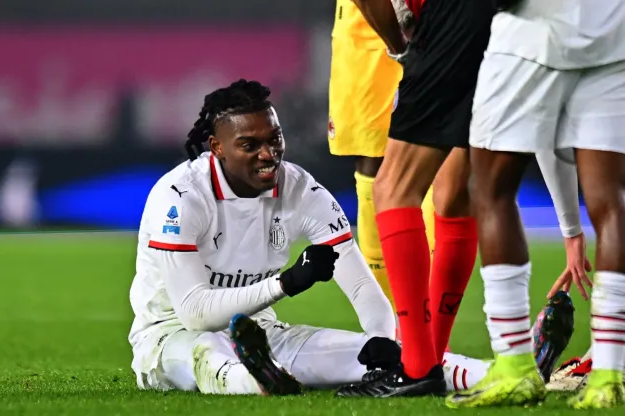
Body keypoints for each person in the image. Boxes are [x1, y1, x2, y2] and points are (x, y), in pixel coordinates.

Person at [127, 79, 491, 395]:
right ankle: (256, 380)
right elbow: (195, 314)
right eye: (249, 145)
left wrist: (379, 339)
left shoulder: (299, 188)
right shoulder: (179, 197)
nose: (268, 155)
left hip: (262, 334)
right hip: (168, 337)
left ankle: (495, 372)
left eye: (275, 139)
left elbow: (362, 286)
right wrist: (284, 284)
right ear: (217, 147)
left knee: (395, 356)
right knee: (206, 352)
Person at [446, 0, 625, 409]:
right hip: (614, 30)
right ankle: (609, 376)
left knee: (491, 187)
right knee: (612, 200)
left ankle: (514, 367)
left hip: (535, 31)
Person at [334, 0, 495, 397]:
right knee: (455, 192)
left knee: (392, 187)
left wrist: (402, 50)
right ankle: (432, 357)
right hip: (503, 22)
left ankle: (417, 366)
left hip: (449, 20)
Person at [327, 0, 435, 310]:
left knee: (441, 157)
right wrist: (401, 45)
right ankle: (392, 315)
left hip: (440, 17)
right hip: (367, 25)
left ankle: (425, 316)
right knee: (372, 159)